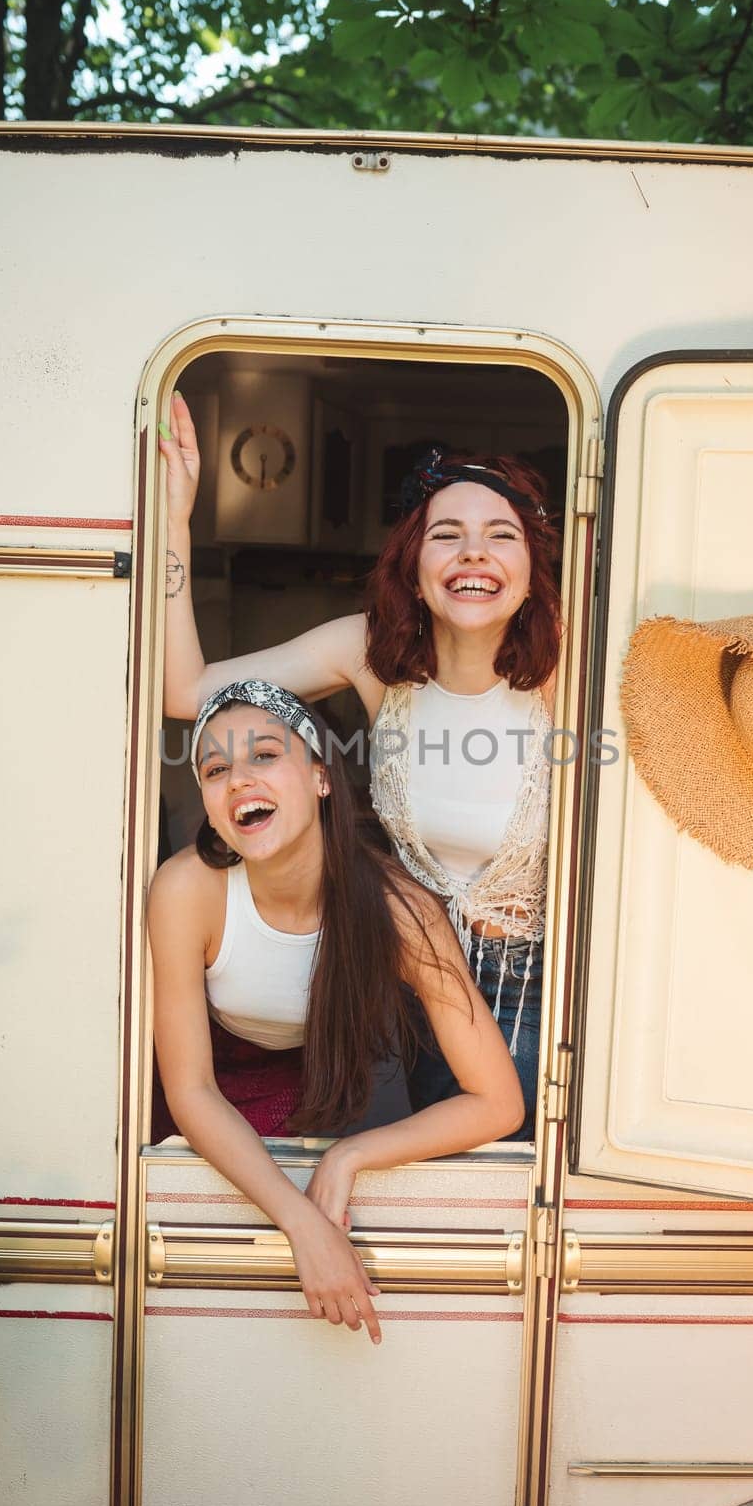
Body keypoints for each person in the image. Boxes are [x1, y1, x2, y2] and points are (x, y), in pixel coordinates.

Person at [161, 392, 562, 1138]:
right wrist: (175, 521)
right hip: (410, 990)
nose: (473, 553)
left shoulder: (569, 672)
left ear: (533, 571)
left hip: (538, 991)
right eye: (446, 536)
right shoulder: (371, 654)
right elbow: (184, 691)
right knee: (445, 1208)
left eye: (499, 535)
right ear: (414, 571)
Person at [148, 680, 525, 1345]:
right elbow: (190, 1088)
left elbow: (497, 1103)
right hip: (196, 1109)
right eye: (214, 769)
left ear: (321, 777)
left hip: (317, 1098)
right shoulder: (187, 891)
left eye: (263, 756)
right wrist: (301, 1224)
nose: (237, 780)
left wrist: (350, 1157)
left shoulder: (400, 911)